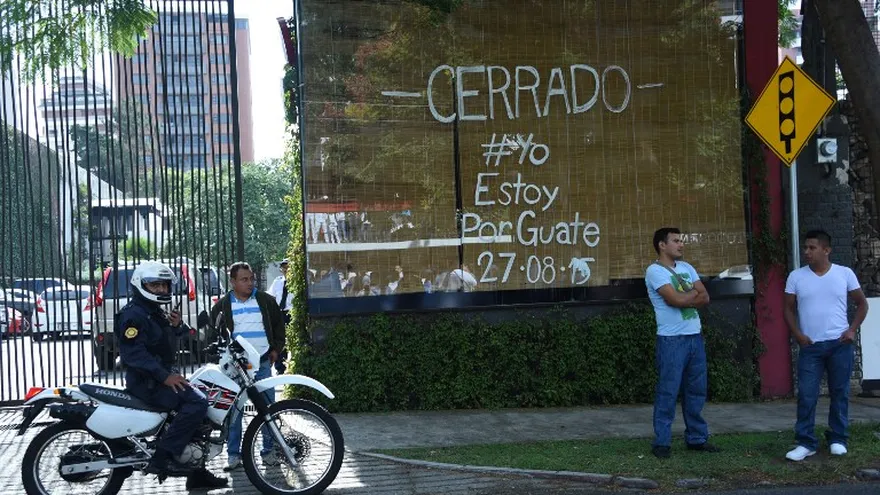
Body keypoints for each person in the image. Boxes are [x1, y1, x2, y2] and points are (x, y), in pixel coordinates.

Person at [116, 261, 227, 490]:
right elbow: (134, 354)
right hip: (147, 383)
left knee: (200, 414)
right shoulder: (133, 316)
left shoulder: (153, 311)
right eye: (155, 285)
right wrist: (164, 377)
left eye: (165, 286)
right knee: (197, 402)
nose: (162, 290)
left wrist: (178, 326)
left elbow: (162, 341)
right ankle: (163, 456)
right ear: (141, 284)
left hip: (158, 378)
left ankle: (197, 474)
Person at [783, 230, 869, 461]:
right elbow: (788, 309)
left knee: (839, 393)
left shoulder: (844, 273)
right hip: (810, 346)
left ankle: (838, 439)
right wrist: (798, 334)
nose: (806, 252)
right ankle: (805, 442)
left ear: (826, 250)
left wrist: (852, 329)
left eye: (812, 248)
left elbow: (861, 304)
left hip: (839, 344)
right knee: (807, 395)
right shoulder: (796, 277)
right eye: (805, 248)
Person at [645, 227, 718, 459]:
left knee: (696, 390)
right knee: (668, 391)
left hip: (694, 337)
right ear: (662, 245)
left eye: (681, 240)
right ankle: (662, 442)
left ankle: (697, 439)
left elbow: (705, 297)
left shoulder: (687, 268)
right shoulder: (655, 271)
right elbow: (674, 300)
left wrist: (687, 299)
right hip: (671, 340)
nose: (681, 244)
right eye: (676, 241)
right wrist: (690, 297)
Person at [210, 261, 286, 471]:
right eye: (244, 279)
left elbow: (279, 325)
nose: (250, 283)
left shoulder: (265, 300)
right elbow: (213, 330)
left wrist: (275, 349)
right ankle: (234, 456)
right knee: (234, 412)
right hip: (236, 368)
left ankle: (268, 452)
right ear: (232, 281)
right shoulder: (223, 305)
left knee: (268, 409)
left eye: (251, 278)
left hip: (261, 362)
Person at [267, 258, 294, 374]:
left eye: (287, 267)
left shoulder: (298, 282)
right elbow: (271, 297)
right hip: (280, 314)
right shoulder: (277, 282)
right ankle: (280, 368)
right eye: (283, 267)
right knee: (280, 340)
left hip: (292, 313)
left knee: (293, 341)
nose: (285, 269)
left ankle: (294, 366)